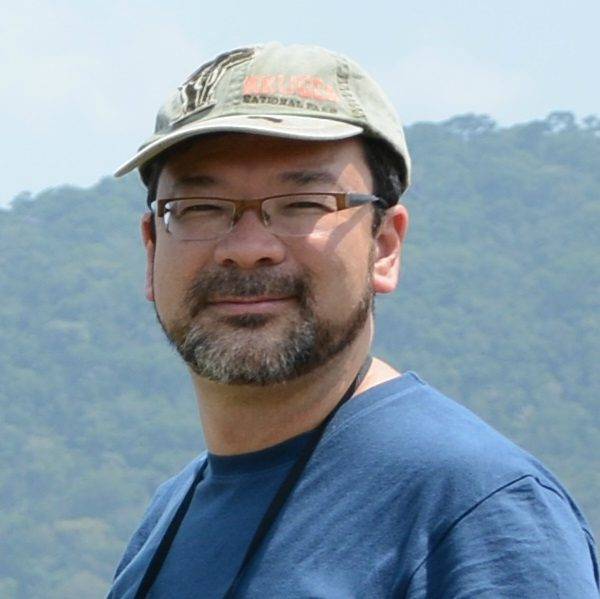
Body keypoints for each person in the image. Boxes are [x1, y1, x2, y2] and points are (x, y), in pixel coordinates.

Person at [108, 42, 599, 598]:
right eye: (201, 208)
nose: (247, 249)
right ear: (151, 249)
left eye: (304, 204)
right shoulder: (171, 516)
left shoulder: (473, 508)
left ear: (384, 246)